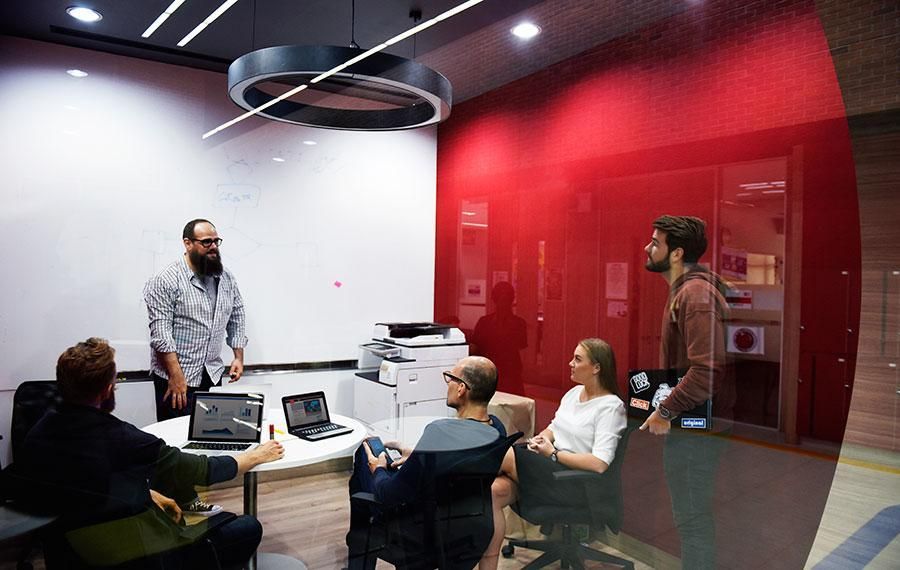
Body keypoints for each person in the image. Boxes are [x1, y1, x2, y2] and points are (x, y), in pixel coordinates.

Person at [11, 338, 284, 569]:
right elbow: (199, 469)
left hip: (69, 551)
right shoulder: (123, 439)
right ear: (108, 389)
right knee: (248, 527)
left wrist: (149, 494)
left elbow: (87, 485)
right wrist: (255, 456)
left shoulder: (39, 432)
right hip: (128, 552)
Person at [346, 356, 506, 569]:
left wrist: (379, 469)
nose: (446, 383)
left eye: (449, 378)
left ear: (461, 389)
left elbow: (390, 494)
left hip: (422, 533)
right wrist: (417, 455)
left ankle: (360, 560)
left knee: (366, 453)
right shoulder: (496, 430)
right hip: (471, 531)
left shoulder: (440, 431)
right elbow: (459, 464)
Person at [638, 214, 735, 569]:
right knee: (690, 515)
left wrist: (665, 410)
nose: (647, 248)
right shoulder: (687, 291)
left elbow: (707, 370)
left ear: (676, 253)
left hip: (697, 429)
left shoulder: (694, 295)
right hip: (693, 422)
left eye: (655, 242)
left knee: (692, 518)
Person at [479, 338, 626, 570]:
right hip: (550, 470)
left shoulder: (611, 407)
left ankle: (441, 475)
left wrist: (554, 454)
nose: (570, 363)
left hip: (576, 483)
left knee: (500, 453)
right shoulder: (574, 393)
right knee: (493, 492)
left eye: (577, 359)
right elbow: (555, 427)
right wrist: (544, 438)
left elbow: (599, 463)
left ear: (597, 367)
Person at [144, 219, 247, 514]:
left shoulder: (224, 277)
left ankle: (186, 499)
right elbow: (161, 333)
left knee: (202, 438)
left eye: (216, 241)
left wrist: (237, 356)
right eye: (206, 242)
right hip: (175, 377)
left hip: (210, 371)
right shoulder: (166, 280)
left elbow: (237, 314)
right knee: (174, 445)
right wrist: (177, 378)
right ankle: (175, 503)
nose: (213, 247)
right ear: (187, 243)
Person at [471, 281, 528, 395]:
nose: (503, 303)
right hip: (497, 370)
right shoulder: (518, 323)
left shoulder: (485, 322)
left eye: (505, 299)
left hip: (504, 371)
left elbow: (475, 348)